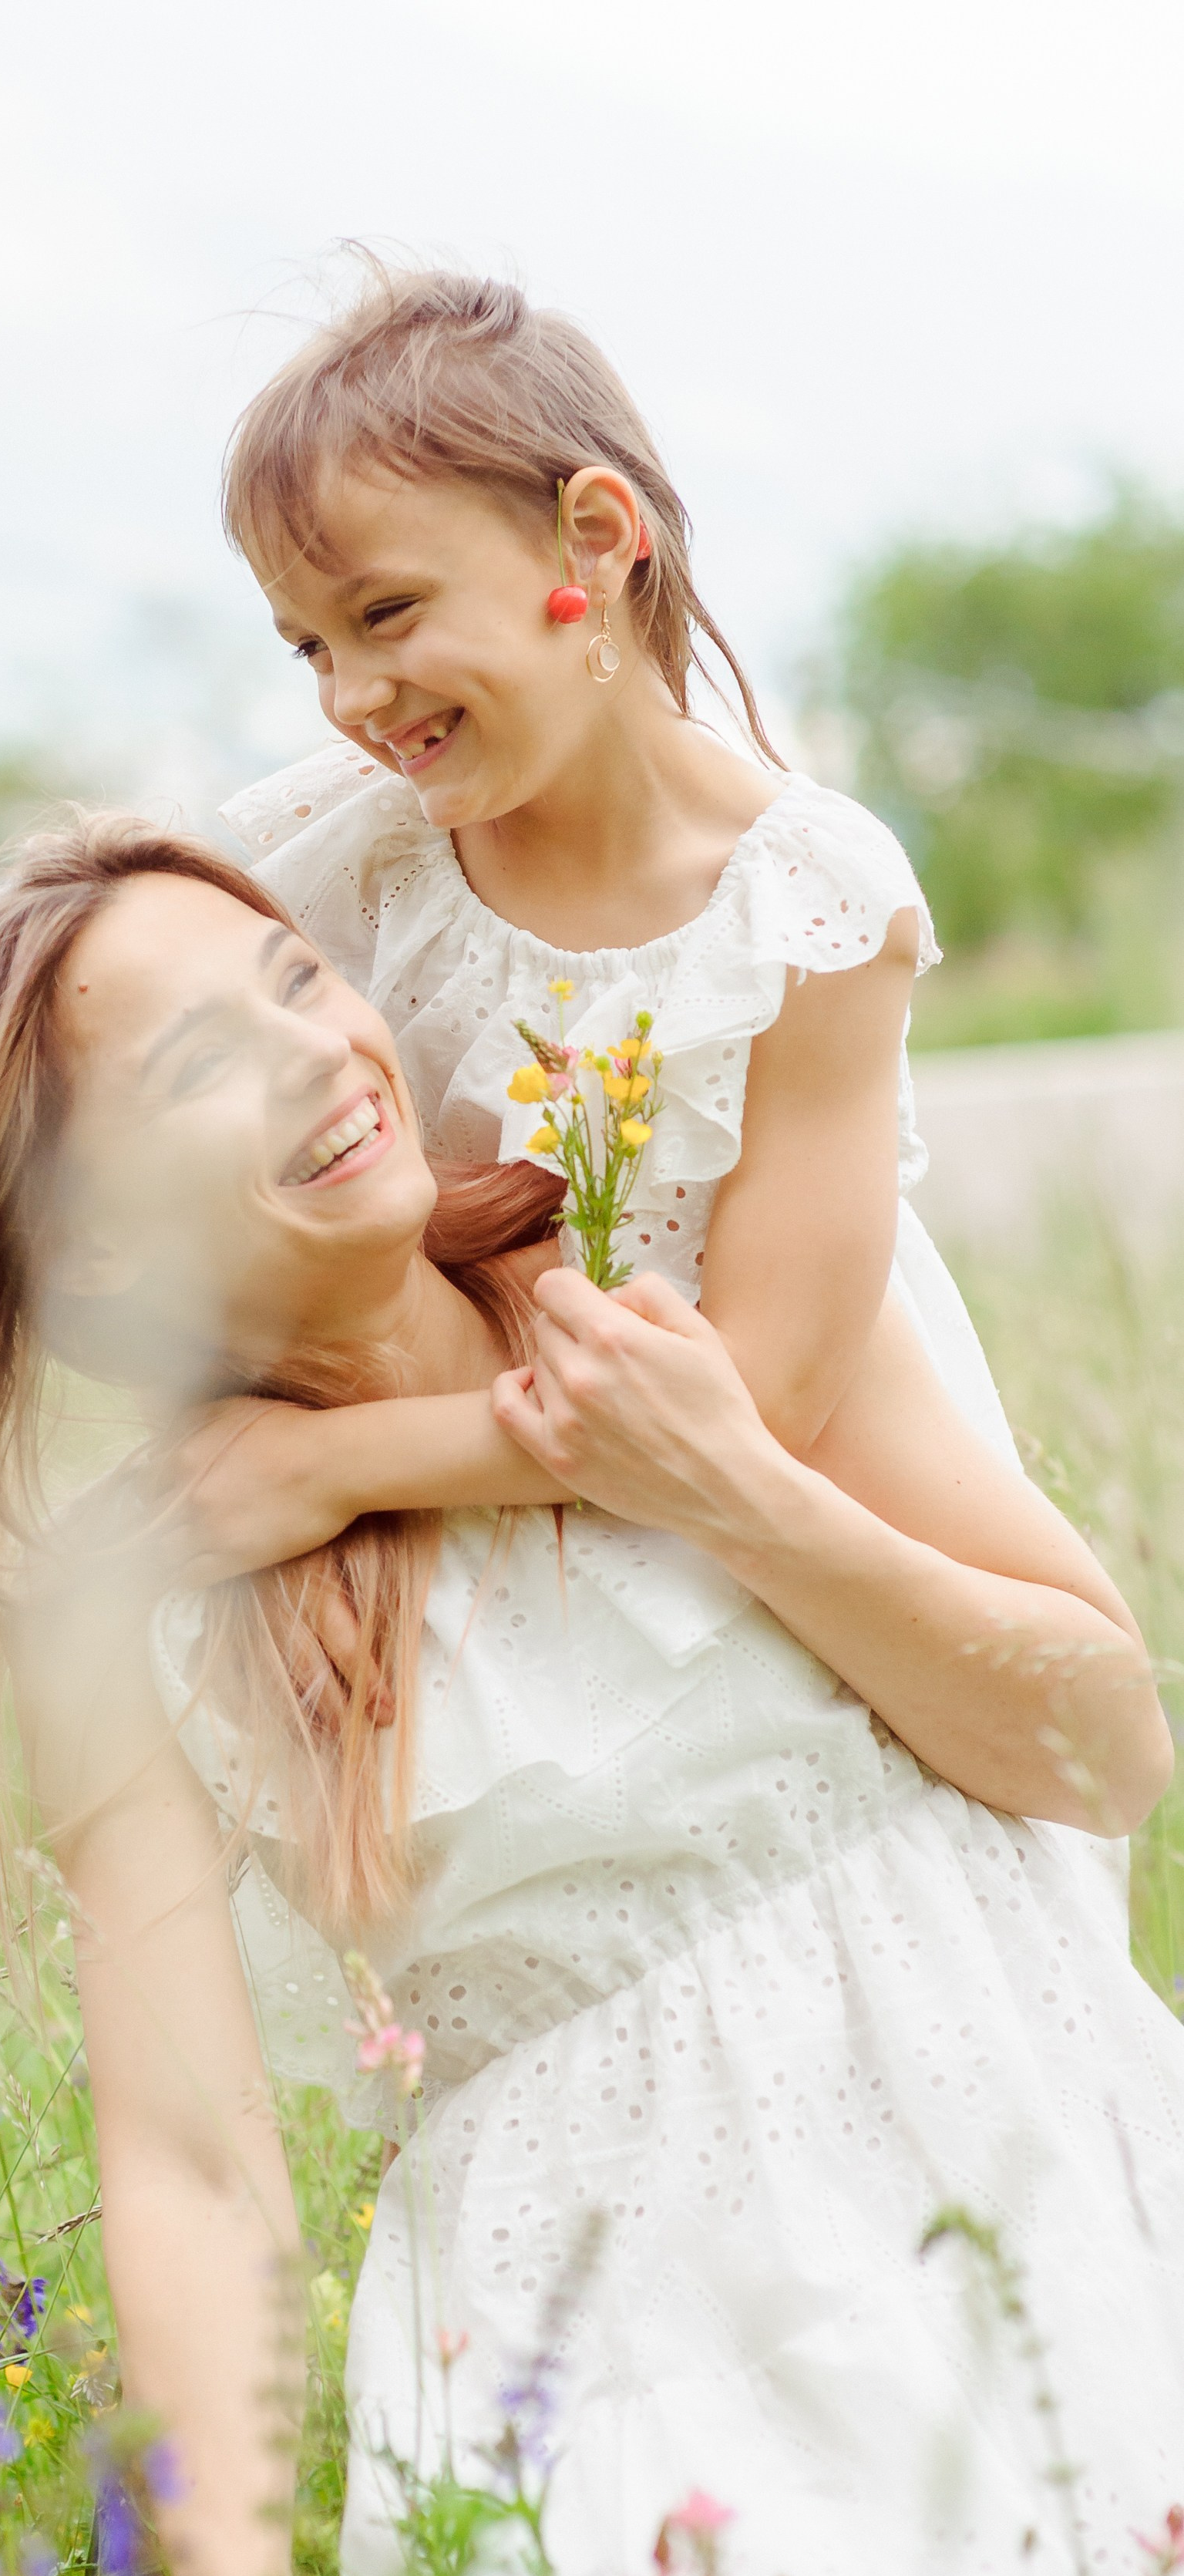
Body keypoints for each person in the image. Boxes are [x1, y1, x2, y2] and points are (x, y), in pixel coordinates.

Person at [0, 817, 1182, 2576]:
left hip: (1026, 2155)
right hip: (619, 2330)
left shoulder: (708, 1291)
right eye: (201, 1062)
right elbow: (193, 2156)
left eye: (301, 976)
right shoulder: (138, 1604)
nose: (317, 1046)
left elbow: (1105, 1747)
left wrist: (732, 1484)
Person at [143, 265, 1017, 1700]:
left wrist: (326, 1470)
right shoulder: (326, 857)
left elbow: (763, 1401)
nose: (349, 697)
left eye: (387, 612)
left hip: (718, 1542)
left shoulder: (802, 908)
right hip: (425, 1553)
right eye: (310, 645)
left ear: (595, 540)